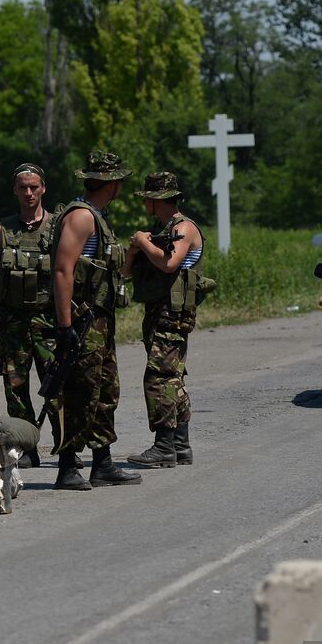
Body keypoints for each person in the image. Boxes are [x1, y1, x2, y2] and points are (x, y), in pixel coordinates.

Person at [49, 149, 140, 491]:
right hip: (81, 319)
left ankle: (102, 463)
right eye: (118, 181)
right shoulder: (82, 217)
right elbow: (62, 270)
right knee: (78, 392)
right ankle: (68, 465)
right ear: (111, 183)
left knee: (104, 390)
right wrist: (64, 325)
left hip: (99, 319)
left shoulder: (98, 216)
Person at [0, 162, 62, 468]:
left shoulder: (57, 227)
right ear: (15, 190)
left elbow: (67, 275)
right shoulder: (3, 230)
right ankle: (27, 448)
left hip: (47, 321)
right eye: (23, 187)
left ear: (43, 189)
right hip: (12, 321)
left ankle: (65, 447)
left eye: (34, 187)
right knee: (15, 387)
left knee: (57, 386)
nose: (29, 193)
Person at [124, 171, 204, 469]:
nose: (144, 203)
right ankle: (180, 446)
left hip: (173, 314)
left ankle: (164, 446)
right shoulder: (158, 230)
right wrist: (134, 249)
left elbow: (170, 263)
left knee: (158, 378)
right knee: (172, 378)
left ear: (157, 200)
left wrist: (144, 244)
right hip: (158, 312)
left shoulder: (184, 228)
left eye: (147, 198)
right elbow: (125, 273)